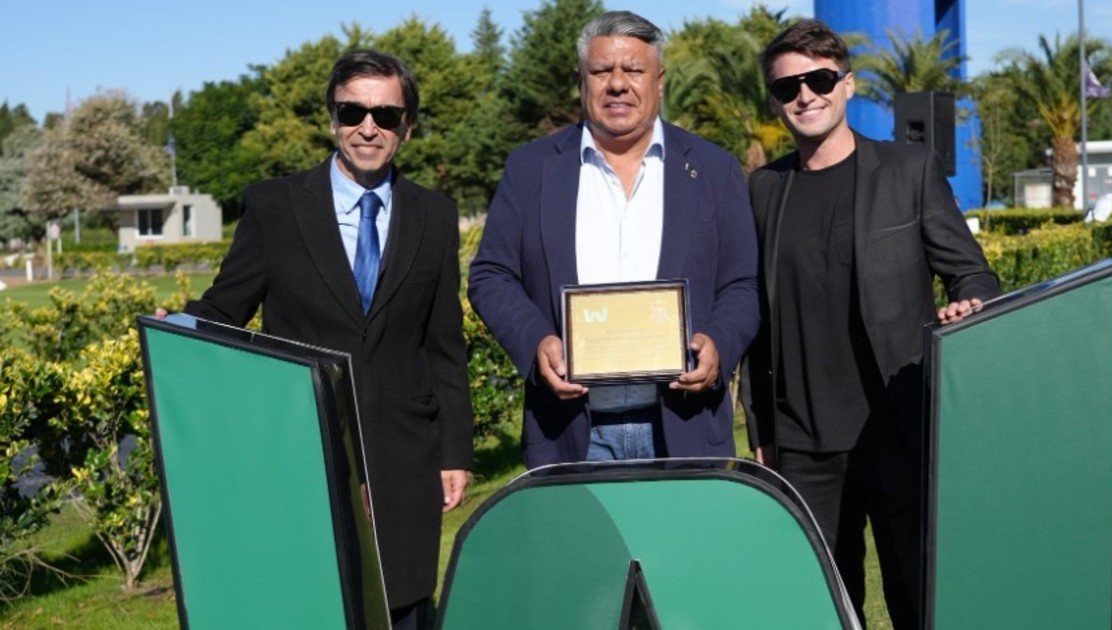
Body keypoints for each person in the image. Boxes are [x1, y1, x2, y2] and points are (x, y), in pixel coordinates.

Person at [181, 50, 473, 630]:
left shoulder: (435, 215)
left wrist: (455, 453)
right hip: (300, 454)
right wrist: (176, 330)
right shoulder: (273, 206)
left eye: (386, 115)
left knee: (402, 604)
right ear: (332, 117)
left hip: (405, 457)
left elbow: (444, 343)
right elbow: (223, 312)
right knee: (310, 603)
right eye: (352, 112)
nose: (368, 127)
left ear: (408, 126)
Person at [740, 19, 999, 629]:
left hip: (899, 428)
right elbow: (756, 318)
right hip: (802, 443)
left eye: (820, 79)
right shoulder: (763, 190)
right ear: (775, 102)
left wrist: (970, 305)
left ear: (848, 84)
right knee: (823, 608)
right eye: (787, 87)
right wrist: (761, 426)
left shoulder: (909, 170)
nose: (806, 95)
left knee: (919, 597)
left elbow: (972, 274)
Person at [468, 11, 759, 469]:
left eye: (634, 70)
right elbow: (492, 274)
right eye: (602, 71)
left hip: (685, 427)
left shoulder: (713, 168)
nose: (618, 84)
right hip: (569, 432)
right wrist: (536, 341)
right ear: (580, 80)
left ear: (659, 80)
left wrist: (719, 343)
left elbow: (743, 283)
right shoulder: (531, 169)